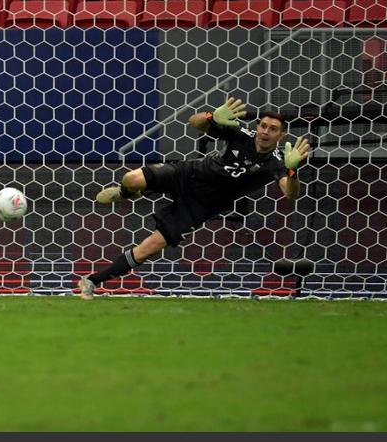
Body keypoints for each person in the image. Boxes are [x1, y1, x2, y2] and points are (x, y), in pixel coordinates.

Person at [77, 97, 311, 299]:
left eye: (272, 129)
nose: (265, 132)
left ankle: (92, 282)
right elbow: (194, 123)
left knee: (149, 248)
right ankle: (126, 193)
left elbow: (291, 193)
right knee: (131, 178)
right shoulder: (242, 134)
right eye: (263, 126)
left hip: (202, 205)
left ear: (281, 134)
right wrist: (211, 116)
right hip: (189, 174)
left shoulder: (279, 162)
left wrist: (292, 171)